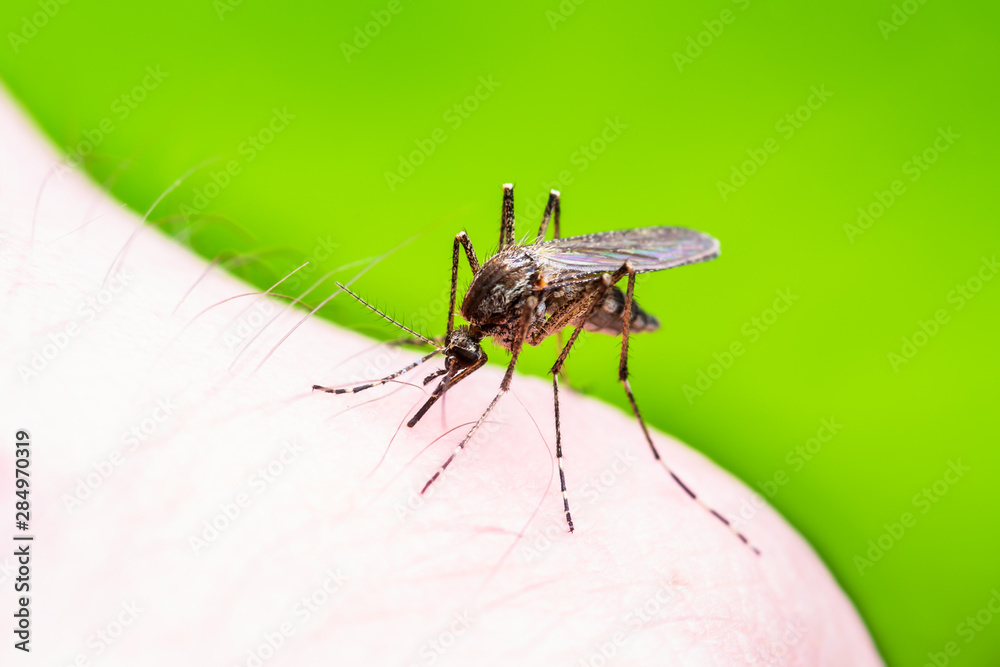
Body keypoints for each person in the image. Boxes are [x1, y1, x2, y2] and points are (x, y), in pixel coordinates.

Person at [0, 88, 882, 666]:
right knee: (489, 255)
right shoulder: (476, 313)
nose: (461, 366)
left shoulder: (512, 318)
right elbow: (478, 305)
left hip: (575, 292)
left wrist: (551, 351)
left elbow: (531, 311)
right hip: (529, 286)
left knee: (532, 301)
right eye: (458, 358)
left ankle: (608, 405)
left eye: (459, 361)